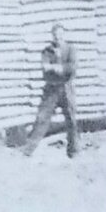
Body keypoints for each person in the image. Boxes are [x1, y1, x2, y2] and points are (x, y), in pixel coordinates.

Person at [22, 23, 79, 158]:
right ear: (52, 36)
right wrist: (59, 68)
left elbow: (72, 68)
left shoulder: (70, 49)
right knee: (41, 119)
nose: (58, 37)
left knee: (71, 120)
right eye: (55, 35)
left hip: (67, 88)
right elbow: (45, 69)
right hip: (51, 90)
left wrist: (57, 68)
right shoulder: (47, 51)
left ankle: (74, 152)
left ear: (64, 35)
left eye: (60, 34)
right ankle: (28, 151)